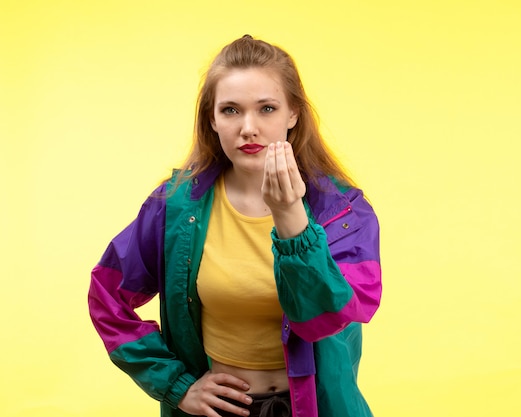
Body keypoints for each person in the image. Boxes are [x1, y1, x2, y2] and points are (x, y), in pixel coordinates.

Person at [88, 35, 382, 417]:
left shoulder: (343, 212)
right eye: (230, 110)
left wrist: (291, 217)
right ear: (212, 118)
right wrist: (177, 386)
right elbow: (106, 295)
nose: (248, 128)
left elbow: (327, 318)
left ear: (293, 114)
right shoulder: (175, 207)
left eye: (267, 108)